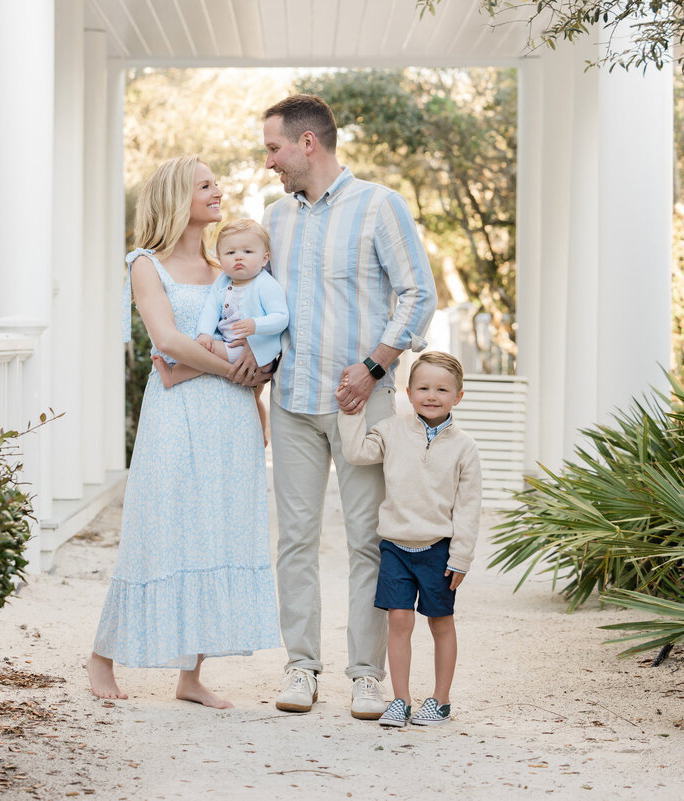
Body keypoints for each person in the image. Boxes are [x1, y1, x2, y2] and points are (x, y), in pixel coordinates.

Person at [255, 94, 438, 719]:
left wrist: (374, 366)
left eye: (274, 148)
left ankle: (366, 675)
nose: (269, 162)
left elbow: (418, 294)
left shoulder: (379, 205)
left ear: (308, 143)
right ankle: (300, 668)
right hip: (293, 401)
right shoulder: (274, 218)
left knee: (367, 541)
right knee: (296, 542)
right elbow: (267, 303)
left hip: (365, 403)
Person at [87, 155, 280, 709]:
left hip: (233, 416)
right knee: (159, 530)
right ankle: (103, 654)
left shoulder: (231, 267)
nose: (218, 191)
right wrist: (229, 367)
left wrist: (248, 373)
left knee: (218, 529)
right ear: (177, 197)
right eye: (205, 186)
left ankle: (191, 675)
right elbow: (167, 342)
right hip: (176, 415)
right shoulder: (146, 264)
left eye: (216, 182)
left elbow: (258, 339)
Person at [337, 351, 482, 727]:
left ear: (458, 396)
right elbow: (355, 453)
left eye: (442, 389)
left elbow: (468, 507)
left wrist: (461, 558)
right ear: (408, 391)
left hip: (439, 551)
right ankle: (400, 700)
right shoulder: (391, 429)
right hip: (396, 548)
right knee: (399, 621)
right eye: (423, 388)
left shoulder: (464, 447)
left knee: (441, 622)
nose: (431, 395)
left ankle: (441, 701)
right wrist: (349, 412)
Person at [152, 219, 286, 444]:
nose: (239, 257)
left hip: (255, 351)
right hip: (232, 343)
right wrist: (204, 332)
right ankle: (261, 433)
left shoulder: (265, 284)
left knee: (210, 351)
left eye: (247, 251)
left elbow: (281, 318)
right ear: (220, 258)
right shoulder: (223, 281)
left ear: (265, 258)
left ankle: (175, 375)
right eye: (231, 252)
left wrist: (255, 325)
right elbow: (211, 308)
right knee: (207, 348)